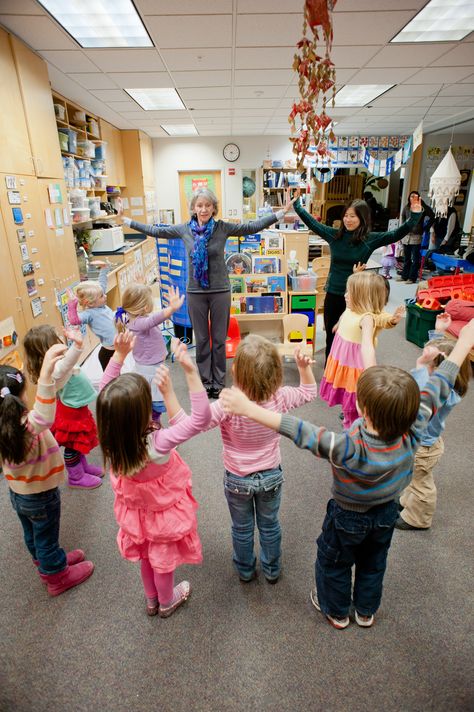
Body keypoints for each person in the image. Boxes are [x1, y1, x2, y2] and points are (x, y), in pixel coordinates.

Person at [219, 319, 474, 629]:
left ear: (363, 410)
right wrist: (461, 346)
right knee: (373, 563)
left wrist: (251, 410)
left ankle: (337, 612)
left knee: (334, 564)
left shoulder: (348, 448)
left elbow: (304, 432)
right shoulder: (415, 427)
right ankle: (365, 612)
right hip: (386, 513)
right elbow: (439, 383)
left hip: (347, 517)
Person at [118, 188, 297, 399]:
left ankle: (219, 381)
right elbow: (156, 231)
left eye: (208, 205)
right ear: (194, 207)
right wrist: (126, 220)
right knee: (202, 339)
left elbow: (251, 227)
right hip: (195, 291)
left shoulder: (222, 228)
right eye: (199, 205)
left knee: (219, 339)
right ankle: (205, 381)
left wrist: (281, 213)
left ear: (214, 208)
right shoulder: (184, 229)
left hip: (220, 290)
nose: (203, 209)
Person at [96, 333, 211, 618]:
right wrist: (179, 384)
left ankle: (152, 601)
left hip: (136, 515)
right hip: (161, 514)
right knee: (163, 562)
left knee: (146, 558)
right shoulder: (158, 442)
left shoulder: (113, 440)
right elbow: (199, 421)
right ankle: (167, 600)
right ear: (144, 411)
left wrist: (119, 357)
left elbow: (103, 392)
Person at [205, 334, 317, 583]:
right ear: (277, 373)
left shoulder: (227, 403)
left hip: (237, 479)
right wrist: (302, 367)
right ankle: (272, 569)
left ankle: (245, 570)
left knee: (242, 529)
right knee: (270, 526)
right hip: (271, 476)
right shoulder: (280, 397)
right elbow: (309, 392)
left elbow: (199, 422)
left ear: (235, 371)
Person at [0, 344, 94, 596]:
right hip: (41, 496)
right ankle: (56, 576)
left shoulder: (5, 428)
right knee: (46, 537)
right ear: (21, 398)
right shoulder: (27, 427)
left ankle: (46, 562)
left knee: (32, 534)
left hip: (18, 495)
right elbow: (44, 414)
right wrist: (45, 375)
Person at [292, 188, 423, 361]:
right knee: (332, 336)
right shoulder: (335, 236)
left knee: (352, 338)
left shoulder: (370, 239)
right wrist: (297, 205)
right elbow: (312, 224)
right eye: (346, 215)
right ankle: (329, 373)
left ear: (362, 218)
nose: (348, 219)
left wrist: (414, 215)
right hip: (333, 293)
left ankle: (348, 374)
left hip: (356, 297)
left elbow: (395, 234)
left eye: (353, 216)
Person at [396, 313, 471, 531]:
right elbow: (444, 357)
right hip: (425, 442)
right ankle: (407, 501)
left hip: (425, 448)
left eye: (430, 364)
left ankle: (418, 519)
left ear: (441, 370)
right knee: (412, 475)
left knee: (422, 484)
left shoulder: (444, 393)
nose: (425, 364)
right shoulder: (448, 383)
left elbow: (419, 395)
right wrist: (439, 332)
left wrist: (421, 366)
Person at [320, 271, 404, 429]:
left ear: (362, 297)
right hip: (341, 359)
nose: (345, 295)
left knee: (354, 393)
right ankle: (348, 410)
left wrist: (371, 370)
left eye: (349, 293)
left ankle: (352, 430)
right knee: (345, 388)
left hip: (355, 364)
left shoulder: (367, 318)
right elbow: (345, 315)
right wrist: (339, 324)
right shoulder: (351, 309)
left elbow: (369, 341)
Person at [23, 325, 103, 489]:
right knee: (73, 445)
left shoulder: (57, 364)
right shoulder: (54, 369)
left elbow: (67, 361)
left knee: (78, 442)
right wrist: (78, 346)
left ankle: (82, 467)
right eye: (56, 338)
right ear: (47, 350)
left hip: (76, 407)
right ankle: (76, 476)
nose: (60, 340)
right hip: (70, 412)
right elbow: (68, 363)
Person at [115, 283, 184, 423]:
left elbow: (150, 318)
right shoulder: (139, 323)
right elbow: (154, 319)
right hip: (150, 371)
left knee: (151, 408)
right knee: (153, 409)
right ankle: (153, 433)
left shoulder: (132, 318)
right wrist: (171, 309)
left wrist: (142, 284)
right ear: (145, 307)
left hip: (150, 367)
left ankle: (153, 431)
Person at [67, 262, 116, 370]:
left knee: (116, 373)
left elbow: (102, 285)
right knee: (112, 379)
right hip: (108, 353)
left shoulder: (100, 303)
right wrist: (72, 304)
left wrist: (104, 268)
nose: (105, 295)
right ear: (90, 303)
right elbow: (74, 320)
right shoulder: (89, 314)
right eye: (102, 296)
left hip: (115, 348)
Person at [397, 191, 435, 284]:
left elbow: (432, 216)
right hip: (406, 236)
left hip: (416, 236)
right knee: (407, 258)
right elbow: (403, 220)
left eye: (415, 197)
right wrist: (401, 232)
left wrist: (426, 227)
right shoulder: (406, 208)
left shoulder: (422, 208)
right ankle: (404, 276)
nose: (413, 198)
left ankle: (412, 278)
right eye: (411, 196)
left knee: (415, 259)